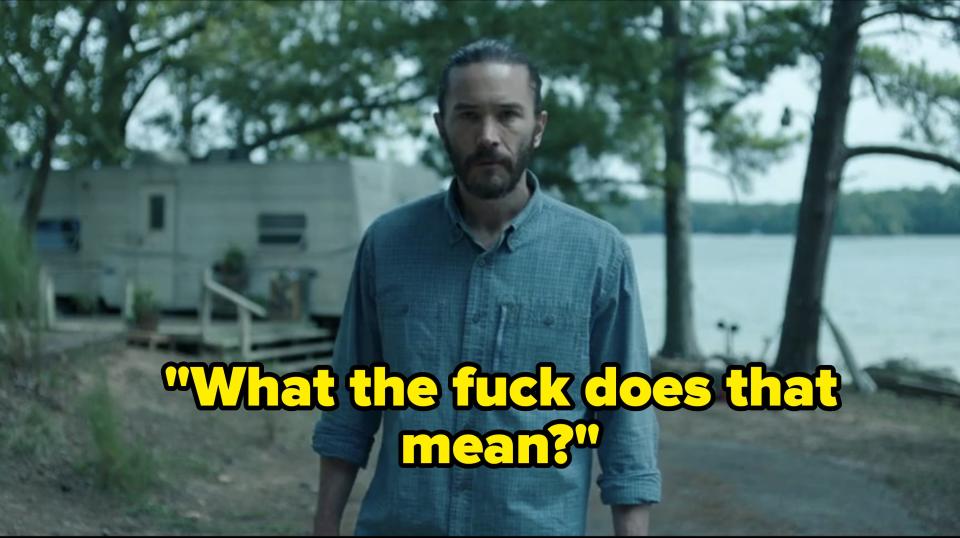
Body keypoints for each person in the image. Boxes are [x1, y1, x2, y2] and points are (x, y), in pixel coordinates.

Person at [312, 38, 661, 536]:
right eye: (469, 115)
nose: (488, 136)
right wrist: (324, 525)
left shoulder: (598, 254)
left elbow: (627, 419)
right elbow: (349, 404)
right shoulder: (387, 245)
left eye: (508, 115)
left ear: (538, 126)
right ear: (442, 126)